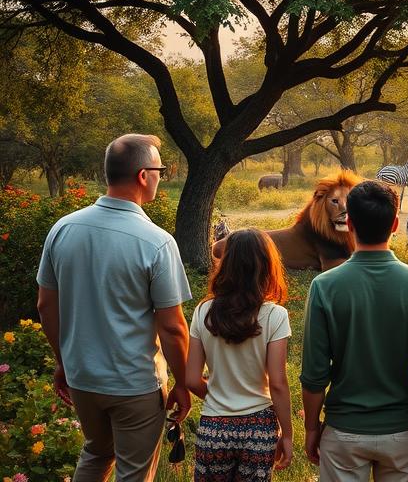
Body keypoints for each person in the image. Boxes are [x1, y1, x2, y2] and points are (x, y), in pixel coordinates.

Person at [36, 134, 192, 482]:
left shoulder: (63, 229)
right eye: (160, 171)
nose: (160, 177)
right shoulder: (157, 242)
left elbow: (45, 305)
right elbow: (172, 327)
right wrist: (183, 383)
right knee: (133, 472)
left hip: (83, 378)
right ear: (143, 175)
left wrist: (63, 362)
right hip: (134, 385)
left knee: (96, 454)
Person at [300, 180, 408, 481]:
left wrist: (311, 428)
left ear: (349, 224)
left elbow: (314, 374)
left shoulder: (324, 287)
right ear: (395, 224)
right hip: (403, 430)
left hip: (344, 431)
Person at [187, 228, 293, 480]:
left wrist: (219, 397)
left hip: (214, 426)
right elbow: (277, 383)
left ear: (225, 265)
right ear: (267, 266)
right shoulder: (275, 315)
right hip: (259, 428)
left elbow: (191, 379)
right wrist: (287, 435)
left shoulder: (203, 312)